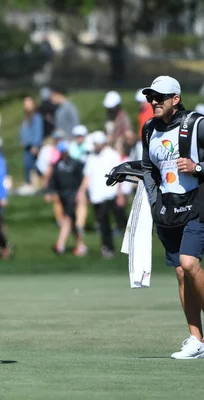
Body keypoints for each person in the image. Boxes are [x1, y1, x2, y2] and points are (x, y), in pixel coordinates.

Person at [141, 75, 204, 359]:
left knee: (189, 264)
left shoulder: (197, 124)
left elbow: (196, 168)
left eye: (160, 97)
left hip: (196, 204)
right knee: (181, 273)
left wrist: (198, 167)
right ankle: (196, 339)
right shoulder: (148, 130)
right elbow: (148, 169)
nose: (153, 101)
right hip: (167, 210)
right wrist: (154, 203)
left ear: (175, 99)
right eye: (150, 97)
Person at [77, 131, 124, 258]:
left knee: (120, 222)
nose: (96, 146)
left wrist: (120, 194)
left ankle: (119, 248)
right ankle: (107, 247)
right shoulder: (91, 157)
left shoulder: (112, 155)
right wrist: (81, 191)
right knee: (103, 223)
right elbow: (87, 176)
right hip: (96, 195)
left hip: (110, 194)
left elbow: (119, 175)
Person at [47, 140, 87, 256]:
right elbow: (53, 180)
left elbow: (82, 178)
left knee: (67, 218)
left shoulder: (75, 163)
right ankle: (80, 245)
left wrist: (81, 193)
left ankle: (60, 244)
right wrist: (50, 192)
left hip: (73, 194)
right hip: (63, 195)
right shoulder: (58, 164)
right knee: (72, 222)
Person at [19, 95, 44, 192]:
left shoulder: (36, 117)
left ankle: (38, 184)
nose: (26, 105)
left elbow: (38, 131)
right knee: (27, 165)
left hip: (32, 146)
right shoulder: (26, 116)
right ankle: (29, 183)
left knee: (34, 166)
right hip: (26, 145)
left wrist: (36, 145)